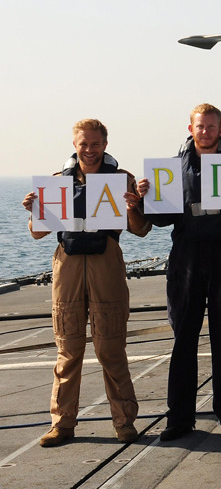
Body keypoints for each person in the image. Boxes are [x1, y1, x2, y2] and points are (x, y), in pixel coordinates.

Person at [22, 119, 150, 447]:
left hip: (106, 259)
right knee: (68, 348)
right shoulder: (56, 183)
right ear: (75, 144)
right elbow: (37, 232)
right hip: (67, 263)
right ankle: (61, 424)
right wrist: (33, 210)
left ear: (105, 145)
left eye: (95, 144)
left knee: (111, 347)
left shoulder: (123, 180)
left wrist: (134, 207)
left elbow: (141, 229)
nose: (89, 150)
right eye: (84, 144)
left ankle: (124, 422)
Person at [141, 104, 221, 441]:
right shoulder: (174, 168)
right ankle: (179, 417)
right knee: (183, 339)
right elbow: (161, 220)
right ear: (190, 129)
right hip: (186, 257)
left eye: (211, 126)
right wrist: (149, 199)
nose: (205, 131)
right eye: (200, 126)